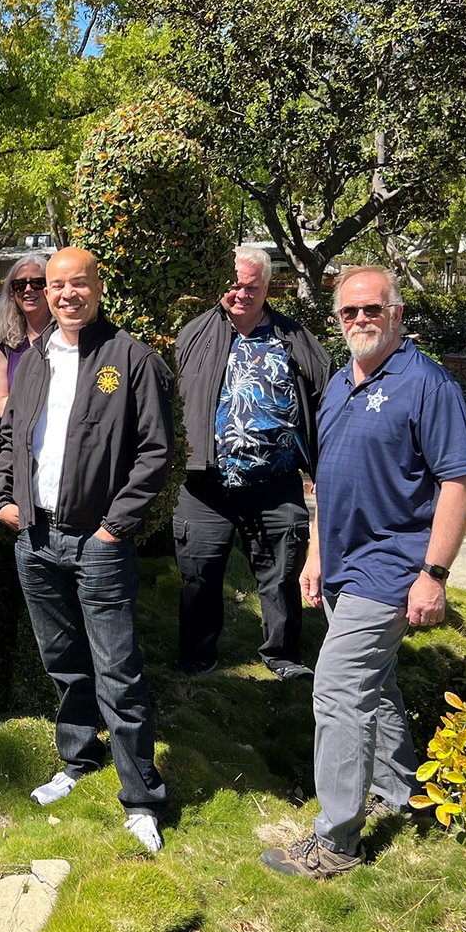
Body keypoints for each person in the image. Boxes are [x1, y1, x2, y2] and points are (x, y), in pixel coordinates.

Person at [262, 266, 466, 878]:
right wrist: (316, 554)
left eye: (371, 310)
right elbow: (327, 478)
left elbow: (459, 481)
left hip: (391, 567)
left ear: (397, 314)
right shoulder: (338, 384)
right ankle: (402, 791)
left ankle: (335, 841)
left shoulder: (426, 384)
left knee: (335, 691)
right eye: (348, 312)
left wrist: (433, 573)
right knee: (374, 686)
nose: (359, 320)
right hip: (342, 565)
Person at [0, 247, 173, 851]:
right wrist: (1, 501)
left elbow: (155, 452)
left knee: (117, 668)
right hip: (35, 537)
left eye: (77, 284)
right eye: (54, 285)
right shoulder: (35, 356)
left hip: (99, 541)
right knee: (62, 658)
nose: (66, 294)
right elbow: (11, 432)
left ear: (98, 287)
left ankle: (141, 794)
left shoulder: (132, 359)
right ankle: (78, 757)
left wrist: (115, 527)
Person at [172, 246, 332, 679]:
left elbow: (322, 402)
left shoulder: (294, 338)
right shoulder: (193, 334)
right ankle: (197, 656)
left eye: (251, 287)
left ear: (267, 288)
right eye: (234, 285)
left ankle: (282, 655)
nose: (240, 294)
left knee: (281, 575)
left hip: (275, 480)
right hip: (206, 482)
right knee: (199, 574)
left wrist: (318, 467)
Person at [0, 253, 50, 415]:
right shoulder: (4, 342)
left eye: (37, 283)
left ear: (49, 288)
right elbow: (0, 402)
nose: (28, 289)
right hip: (18, 433)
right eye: (20, 284)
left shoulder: (66, 336)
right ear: (11, 292)